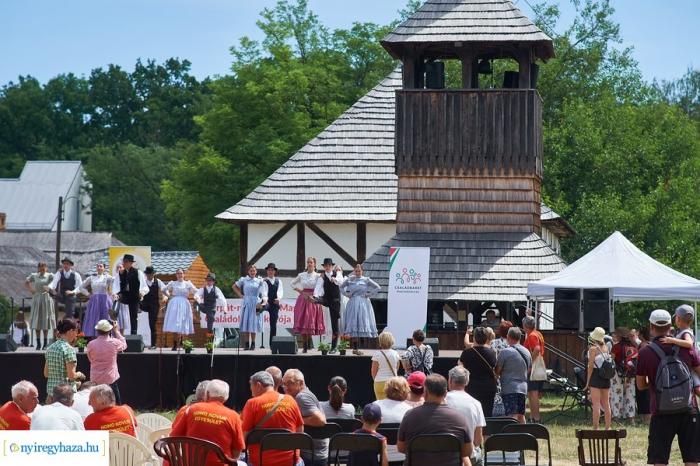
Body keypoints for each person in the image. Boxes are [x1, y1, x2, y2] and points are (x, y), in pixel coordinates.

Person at [637, 309, 700, 466]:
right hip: (689, 408)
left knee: (659, 460)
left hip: (660, 411)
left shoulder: (645, 352)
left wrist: (656, 382)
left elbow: (640, 385)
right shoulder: (686, 347)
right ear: (670, 326)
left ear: (651, 327)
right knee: (692, 460)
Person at [398, 374, 473, 466]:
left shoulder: (410, 416)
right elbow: (467, 451)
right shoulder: (460, 418)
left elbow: (401, 448)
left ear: (425, 393)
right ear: (445, 394)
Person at [170, 379, 245, 465]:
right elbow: (238, 450)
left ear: (207, 393)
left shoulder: (191, 409)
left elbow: (174, 437)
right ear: (226, 397)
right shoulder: (234, 416)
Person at [242, 371, 304, 466]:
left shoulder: (252, 403)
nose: (252, 393)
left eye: (251, 388)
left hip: (261, 462)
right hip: (290, 461)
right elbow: (300, 431)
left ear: (258, 385)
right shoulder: (290, 400)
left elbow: (244, 437)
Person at [282, 369, 327, 466]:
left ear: (301, 383)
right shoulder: (305, 394)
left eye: (290, 383)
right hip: (316, 453)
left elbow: (321, 420)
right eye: (284, 384)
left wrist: (296, 421)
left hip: (311, 456)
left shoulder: (301, 397)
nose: (286, 387)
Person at [446, 366, 486, 466]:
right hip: (469, 455)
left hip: (445, 455)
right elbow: (478, 440)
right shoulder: (476, 403)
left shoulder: (441, 401)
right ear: (467, 382)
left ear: (450, 380)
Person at [340, 263, 380, 354]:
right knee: (353, 323)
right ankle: (355, 347)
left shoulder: (366, 280)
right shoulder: (350, 279)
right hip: (353, 302)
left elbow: (378, 287)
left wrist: (369, 294)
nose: (358, 273)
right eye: (356, 271)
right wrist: (347, 294)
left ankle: (362, 347)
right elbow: (341, 287)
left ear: (362, 271)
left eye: (359, 271)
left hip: (363, 303)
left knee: (362, 322)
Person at [660, 304, 700, 396]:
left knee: (697, 388)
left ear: (678, 319)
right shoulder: (682, 331)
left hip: (691, 367)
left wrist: (672, 340)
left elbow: (689, 343)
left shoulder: (686, 332)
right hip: (687, 365)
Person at [459, 326, 498, 417]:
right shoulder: (492, 352)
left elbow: (460, 368)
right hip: (488, 386)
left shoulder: (467, 353)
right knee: (487, 414)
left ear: (474, 338)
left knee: (472, 413)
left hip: (472, 386)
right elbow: (495, 368)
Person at [86, 319, 127, 404]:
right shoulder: (114, 342)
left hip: (95, 379)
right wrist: (116, 331)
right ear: (109, 330)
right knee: (115, 404)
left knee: (96, 404)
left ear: (97, 331)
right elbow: (124, 345)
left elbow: (90, 359)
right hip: (110, 379)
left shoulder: (91, 344)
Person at [495, 327, 530, 423]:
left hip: (509, 388)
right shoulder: (527, 352)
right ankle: (524, 432)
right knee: (521, 415)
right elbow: (529, 369)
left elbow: (497, 371)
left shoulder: (505, 352)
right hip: (523, 388)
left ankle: (511, 433)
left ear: (508, 337)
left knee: (511, 416)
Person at [44, 318, 84, 398]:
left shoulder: (50, 348)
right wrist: (79, 374)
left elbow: (46, 374)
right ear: (70, 331)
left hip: (51, 394)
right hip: (65, 396)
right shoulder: (69, 349)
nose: (77, 334)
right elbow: (71, 376)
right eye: (76, 331)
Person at [291, 257, 323, 353]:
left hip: (313, 299)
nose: (309, 264)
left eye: (311, 262)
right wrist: (300, 291)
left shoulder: (318, 276)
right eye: (308, 262)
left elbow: (321, 287)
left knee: (310, 321)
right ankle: (305, 345)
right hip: (303, 299)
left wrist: (316, 296)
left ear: (314, 264)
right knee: (303, 321)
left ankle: (309, 342)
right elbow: (292, 283)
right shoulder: (302, 275)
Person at [232, 264, 267, 351]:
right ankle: (247, 343)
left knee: (253, 323)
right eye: (251, 271)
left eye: (254, 271)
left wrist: (263, 301)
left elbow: (264, 291)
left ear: (256, 272)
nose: (252, 272)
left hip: (256, 302)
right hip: (247, 302)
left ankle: (253, 343)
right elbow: (234, 286)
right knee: (247, 323)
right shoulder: (244, 279)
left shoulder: (259, 280)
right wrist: (241, 295)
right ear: (248, 272)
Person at [313, 258, 345, 353]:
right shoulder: (322, 277)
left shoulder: (337, 273)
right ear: (324, 267)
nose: (327, 267)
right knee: (326, 323)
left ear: (332, 266)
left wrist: (334, 279)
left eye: (329, 265)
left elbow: (341, 281)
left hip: (335, 301)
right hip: (326, 300)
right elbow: (318, 288)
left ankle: (334, 347)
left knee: (335, 325)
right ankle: (324, 345)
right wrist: (315, 296)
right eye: (326, 266)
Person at [584, 327, 612, 430]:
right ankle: (608, 427)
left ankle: (596, 428)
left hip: (596, 376)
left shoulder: (593, 349)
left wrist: (587, 381)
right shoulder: (606, 347)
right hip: (605, 377)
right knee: (606, 403)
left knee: (596, 404)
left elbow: (590, 366)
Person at [113, 254, 148, 335]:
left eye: (126, 262)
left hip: (134, 296)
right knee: (117, 301)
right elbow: (116, 285)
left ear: (131, 263)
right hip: (124, 295)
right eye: (123, 261)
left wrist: (142, 293)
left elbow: (144, 286)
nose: (124, 263)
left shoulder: (138, 272)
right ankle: (114, 314)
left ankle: (133, 334)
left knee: (133, 316)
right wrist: (115, 293)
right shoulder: (120, 273)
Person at [163, 268, 198, 350]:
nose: (180, 275)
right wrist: (169, 296)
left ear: (184, 274)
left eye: (181, 273)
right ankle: (175, 344)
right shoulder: (173, 283)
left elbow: (196, 291)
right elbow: (164, 289)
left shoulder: (188, 283)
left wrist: (197, 297)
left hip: (184, 304)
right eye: (178, 273)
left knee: (183, 322)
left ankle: (182, 342)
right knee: (175, 323)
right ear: (176, 275)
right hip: (174, 304)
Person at [79, 263, 114, 339]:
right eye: (98, 266)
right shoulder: (91, 278)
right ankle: (95, 337)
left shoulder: (107, 277)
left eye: (101, 266)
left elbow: (115, 281)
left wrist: (113, 294)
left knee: (106, 317)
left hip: (105, 300)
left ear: (104, 268)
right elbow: (81, 287)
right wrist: (88, 294)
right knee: (94, 317)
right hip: (94, 301)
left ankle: (108, 336)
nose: (99, 267)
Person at [26, 261, 55, 350]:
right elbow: (26, 281)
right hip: (37, 299)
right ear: (38, 268)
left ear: (46, 268)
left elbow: (56, 282)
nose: (42, 268)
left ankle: (45, 344)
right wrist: (31, 290)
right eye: (41, 267)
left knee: (45, 321)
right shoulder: (34, 275)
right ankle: (38, 343)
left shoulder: (50, 276)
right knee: (37, 321)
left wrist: (50, 289)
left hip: (46, 299)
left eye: (44, 266)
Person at [610, 327, 637, 421]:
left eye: (616, 334)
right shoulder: (634, 346)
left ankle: (616, 416)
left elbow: (611, 360)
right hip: (631, 373)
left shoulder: (616, 347)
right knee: (630, 395)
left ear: (619, 336)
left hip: (618, 374)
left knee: (617, 394)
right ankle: (631, 418)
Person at [522, 316, 545, 423]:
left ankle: (536, 418)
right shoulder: (538, 333)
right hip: (538, 367)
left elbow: (537, 349)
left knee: (533, 393)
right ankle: (533, 417)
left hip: (533, 368)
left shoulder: (532, 336)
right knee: (533, 393)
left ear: (525, 326)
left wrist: (530, 362)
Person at [141, 266, 168, 349]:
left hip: (154, 305)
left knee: (152, 324)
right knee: (143, 323)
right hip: (144, 305)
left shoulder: (158, 281)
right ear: (146, 274)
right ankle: (141, 343)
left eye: (151, 274)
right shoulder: (143, 282)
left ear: (153, 274)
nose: (149, 276)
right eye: (148, 274)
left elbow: (165, 290)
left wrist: (165, 297)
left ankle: (153, 344)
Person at [371, 330, 401, 400]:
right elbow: (396, 368)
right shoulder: (396, 353)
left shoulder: (377, 354)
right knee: (392, 403)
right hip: (392, 382)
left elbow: (373, 371)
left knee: (380, 404)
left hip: (379, 382)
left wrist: (376, 379)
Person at [263, 263, 284, 343]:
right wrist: (265, 301)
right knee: (261, 308)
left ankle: (272, 343)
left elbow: (280, 291)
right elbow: (264, 292)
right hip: (267, 301)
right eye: (269, 270)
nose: (270, 271)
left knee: (273, 324)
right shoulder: (265, 281)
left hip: (275, 303)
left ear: (274, 271)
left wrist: (278, 298)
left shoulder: (278, 281)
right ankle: (259, 310)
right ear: (267, 271)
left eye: (272, 270)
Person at [636, 326, 652, 422]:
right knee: (647, 396)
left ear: (642, 335)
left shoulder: (643, 345)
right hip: (648, 373)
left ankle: (646, 419)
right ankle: (646, 418)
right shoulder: (650, 344)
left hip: (643, 373)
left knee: (644, 396)